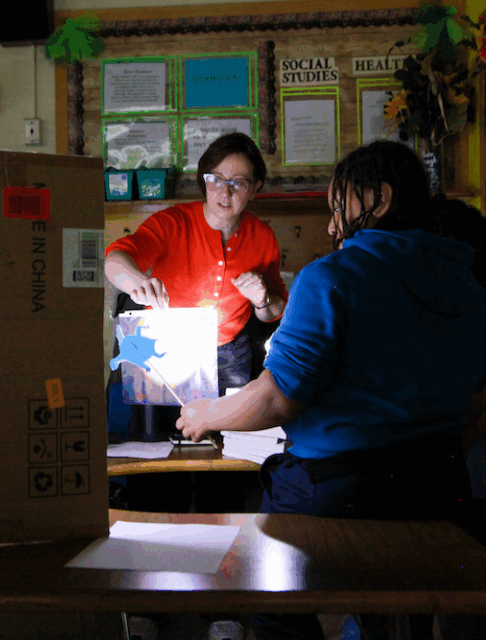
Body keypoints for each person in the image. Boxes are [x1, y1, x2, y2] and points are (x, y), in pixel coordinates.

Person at [176, 140, 486, 640]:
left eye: (338, 207)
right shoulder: (466, 280)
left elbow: (279, 397)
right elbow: (476, 400)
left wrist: (207, 414)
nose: (330, 225)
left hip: (337, 491)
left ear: (378, 199)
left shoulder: (333, 276)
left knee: (261, 593)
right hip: (442, 484)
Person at [104, 132, 288, 640]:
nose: (224, 192)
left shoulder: (263, 237)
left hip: (227, 351)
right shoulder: (171, 222)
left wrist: (260, 300)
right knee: (153, 471)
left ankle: (221, 605)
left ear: (253, 190)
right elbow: (116, 256)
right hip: (163, 347)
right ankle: (148, 601)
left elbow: (277, 312)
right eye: (215, 180)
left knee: (222, 476)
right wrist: (133, 281)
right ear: (203, 181)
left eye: (238, 183)